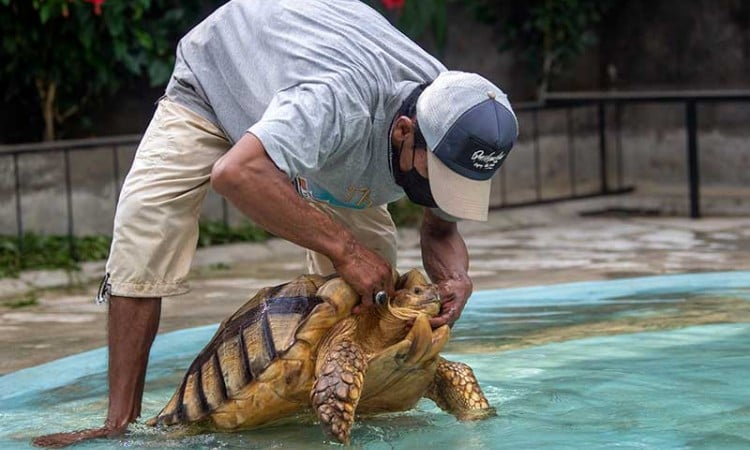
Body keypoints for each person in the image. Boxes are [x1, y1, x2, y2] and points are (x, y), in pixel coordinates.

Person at [33, 0, 517, 447]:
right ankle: (118, 424)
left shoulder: (455, 114)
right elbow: (237, 173)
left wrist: (456, 277)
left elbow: (441, 230)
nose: (443, 193)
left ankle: (345, 404)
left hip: (324, 127)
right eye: (438, 178)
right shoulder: (338, 101)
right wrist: (346, 251)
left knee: (372, 304)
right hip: (218, 84)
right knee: (148, 227)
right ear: (406, 130)